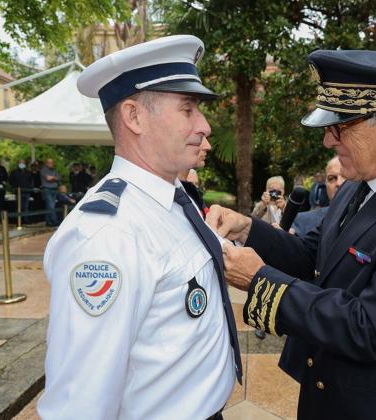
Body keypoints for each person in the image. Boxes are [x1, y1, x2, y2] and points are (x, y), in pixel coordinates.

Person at [207, 50, 376, 419]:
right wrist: (250, 229)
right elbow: (312, 257)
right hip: (329, 396)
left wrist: (260, 281)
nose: (327, 142)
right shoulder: (355, 186)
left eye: (339, 128)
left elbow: (370, 328)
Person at [38, 35, 241, 420]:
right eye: (188, 109)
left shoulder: (172, 197)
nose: (205, 125)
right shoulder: (106, 236)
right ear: (133, 117)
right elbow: (79, 405)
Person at [291, 156, 344, 237]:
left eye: (345, 176)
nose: (339, 183)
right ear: (326, 184)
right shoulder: (302, 223)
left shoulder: (367, 220)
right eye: (331, 178)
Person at [40, 158, 60, 227]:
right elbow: (48, 179)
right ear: (46, 163)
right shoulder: (43, 170)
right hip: (47, 189)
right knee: (51, 206)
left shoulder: (55, 170)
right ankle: (55, 221)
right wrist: (54, 178)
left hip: (54, 189)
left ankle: (48, 222)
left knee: (50, 206)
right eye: (49, 163)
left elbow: (58, 178)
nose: (51, 164)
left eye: (52, 162)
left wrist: (53, 178)